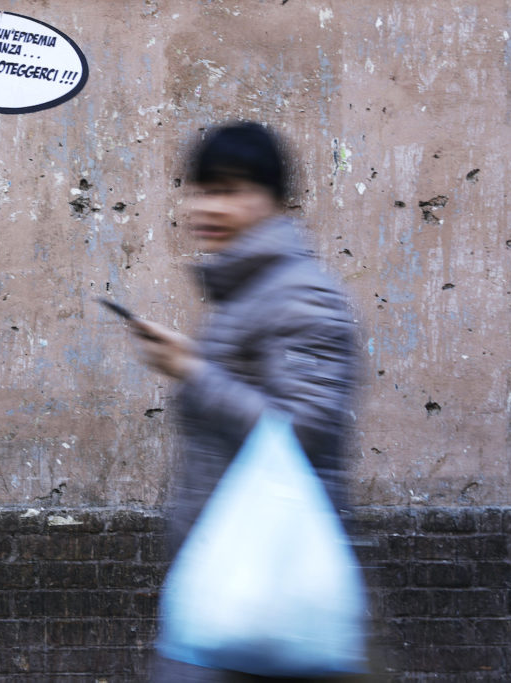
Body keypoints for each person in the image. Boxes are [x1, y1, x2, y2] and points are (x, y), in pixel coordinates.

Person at [129, 122, 361, 681]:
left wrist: (192, 371)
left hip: (266, 586)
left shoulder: (302, 294)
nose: (205, 206)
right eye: (200, 188)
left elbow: (302, 429)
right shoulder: (247, 293)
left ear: (274, 201)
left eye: (229, 190)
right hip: (224, 580)